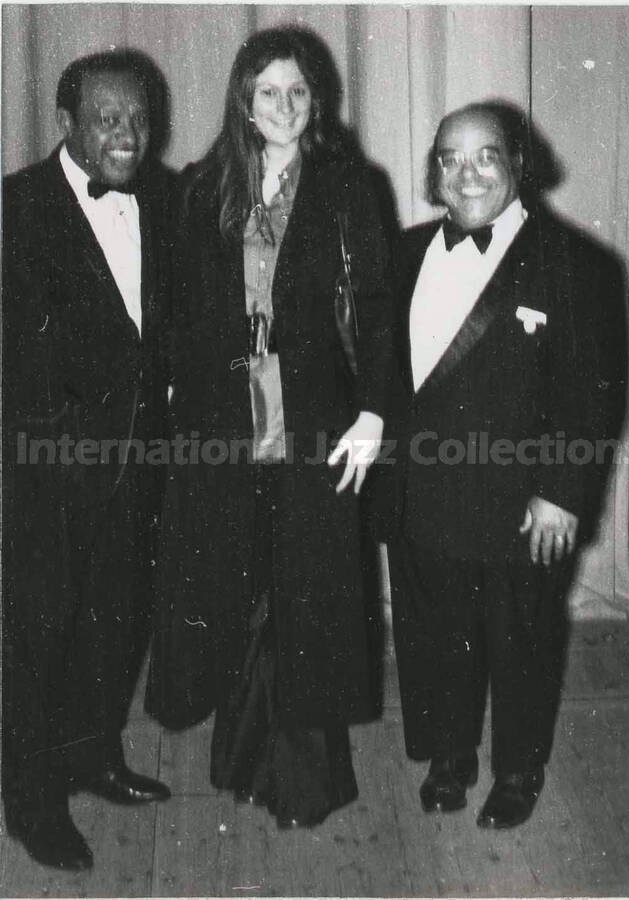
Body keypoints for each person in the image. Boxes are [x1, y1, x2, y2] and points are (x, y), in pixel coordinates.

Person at [146, 26, 392, 829]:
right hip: (221, 421)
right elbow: (179, 311)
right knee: (241, 582)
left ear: (315, 101)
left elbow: (380, 313)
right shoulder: (200, 186)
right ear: (243, 105)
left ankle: (304, 782)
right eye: (266, 93)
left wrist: (374, 412)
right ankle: (244, 756)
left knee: (307, 591)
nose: (282, 107)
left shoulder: (349, 186)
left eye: (297, 92)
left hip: (314, 418)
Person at [383, 101, 627, 829]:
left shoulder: (576, 264)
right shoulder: (402, 252)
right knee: (434, 634)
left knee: (519, 638)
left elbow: (591, 396)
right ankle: (449, 757)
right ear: (433, 172)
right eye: (449, 159)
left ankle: (517, 770)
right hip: (422, 491)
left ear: (518, 163)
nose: (466, 174)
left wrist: (560, 492)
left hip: (519, 501)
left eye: (484, 155)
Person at [2, 49, 176, 870]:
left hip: (138, 471)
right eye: (109, 118)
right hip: (43, 476)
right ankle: (32, 805)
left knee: (113, 625)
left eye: (139, 118)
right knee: (34, 641)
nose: (128, 135)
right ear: (66, 122)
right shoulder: (15, 210)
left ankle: (95, 757)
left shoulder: (167, 197)